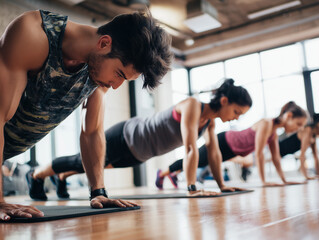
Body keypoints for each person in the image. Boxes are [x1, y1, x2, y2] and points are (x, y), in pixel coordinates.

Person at [0, 9, 173, 221]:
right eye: (119, 74)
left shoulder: (98, 72)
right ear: (104, 43)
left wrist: (98, 192)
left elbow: (91, 131)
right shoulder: (34, 34)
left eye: (124, 80)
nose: (116, 85)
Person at [26, 79, 252, 199]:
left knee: (95, 167)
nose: (235, 119)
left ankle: (62, 177)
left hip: (140, 153)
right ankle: (35, 175)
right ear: (224, 101)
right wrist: (191, 187)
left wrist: (222, 186)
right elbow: (191, 149)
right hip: (127, 136)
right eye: (236, 113)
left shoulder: (209, 123)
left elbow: (214, 153)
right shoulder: (193, 106)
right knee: (81, 161)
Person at [159, 101, 308, 188]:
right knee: (197, 159)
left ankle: (173, 173)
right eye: (298, 123)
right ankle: (163, 172)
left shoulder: (273, 133)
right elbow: (259, 154)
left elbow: (276, 158)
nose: (299, 129)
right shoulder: (267, 124)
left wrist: (284, 180)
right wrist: (264, 181)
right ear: (288, 116)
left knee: (200, 163)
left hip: (231, 150)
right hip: (225, 141)